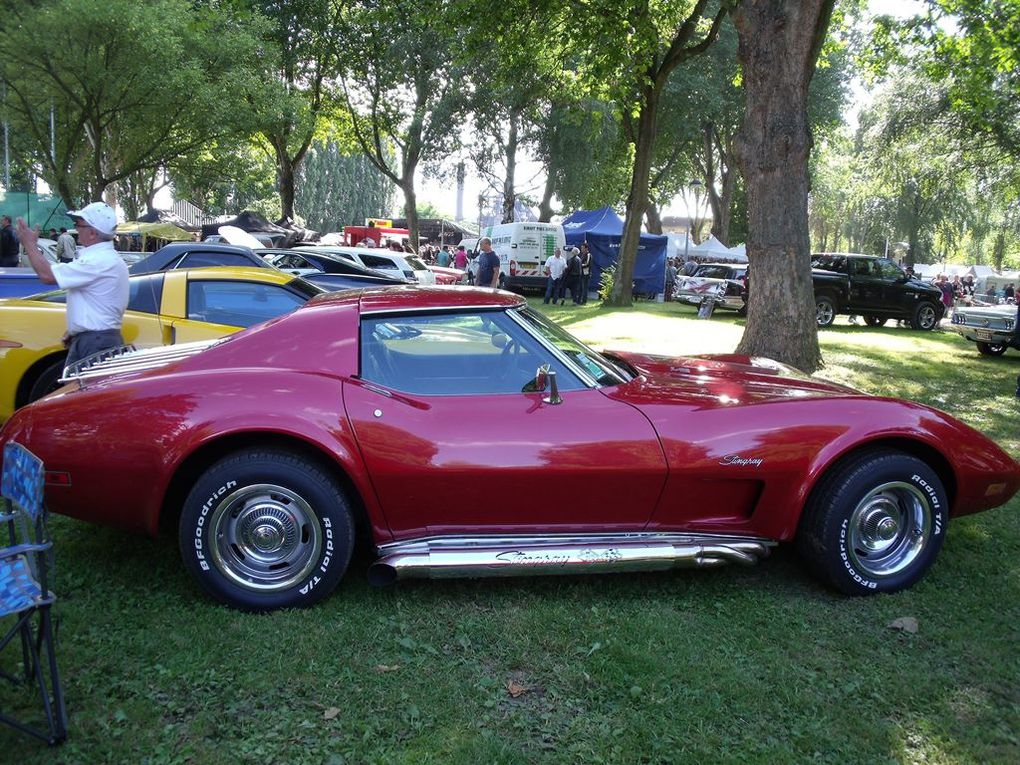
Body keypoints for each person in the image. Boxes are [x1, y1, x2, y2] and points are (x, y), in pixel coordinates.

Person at [16, 202, 129, 367]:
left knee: (86, 391)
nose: (76, 229)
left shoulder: (97, 261)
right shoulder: (106, 259)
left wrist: (30, 244)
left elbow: (47, 275)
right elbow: (98, 303)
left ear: (92, 233)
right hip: (96, 340)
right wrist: (77, 330)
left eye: (78, 224)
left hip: (94, 343)